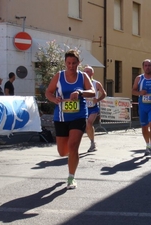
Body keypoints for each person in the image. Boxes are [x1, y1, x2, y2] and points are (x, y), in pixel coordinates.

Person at [45, 49, 95, 189]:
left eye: (74, 63)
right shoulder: (59, 76)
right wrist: (54, 99)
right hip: (61, 116)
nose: (71, 66)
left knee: (73, 146)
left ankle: (71, 177)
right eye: (69, 63)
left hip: (78, 116)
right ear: (65, 63)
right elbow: (48, 92)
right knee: (62, 152)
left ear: (78, 63)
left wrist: (80, 92)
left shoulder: (83, 76)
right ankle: (71, 156)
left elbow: (91, 92)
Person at [83, 65, 107, 152]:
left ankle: (92, 143)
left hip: (93, 108)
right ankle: (92, 141)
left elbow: (104, 93)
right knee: (87, 126)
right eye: (84, 71)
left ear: (92, 73)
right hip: (83, 108)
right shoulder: (81, 83)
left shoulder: (96, 84)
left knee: (89, 123)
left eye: (88, 71)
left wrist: (98, 99)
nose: (85, 73)